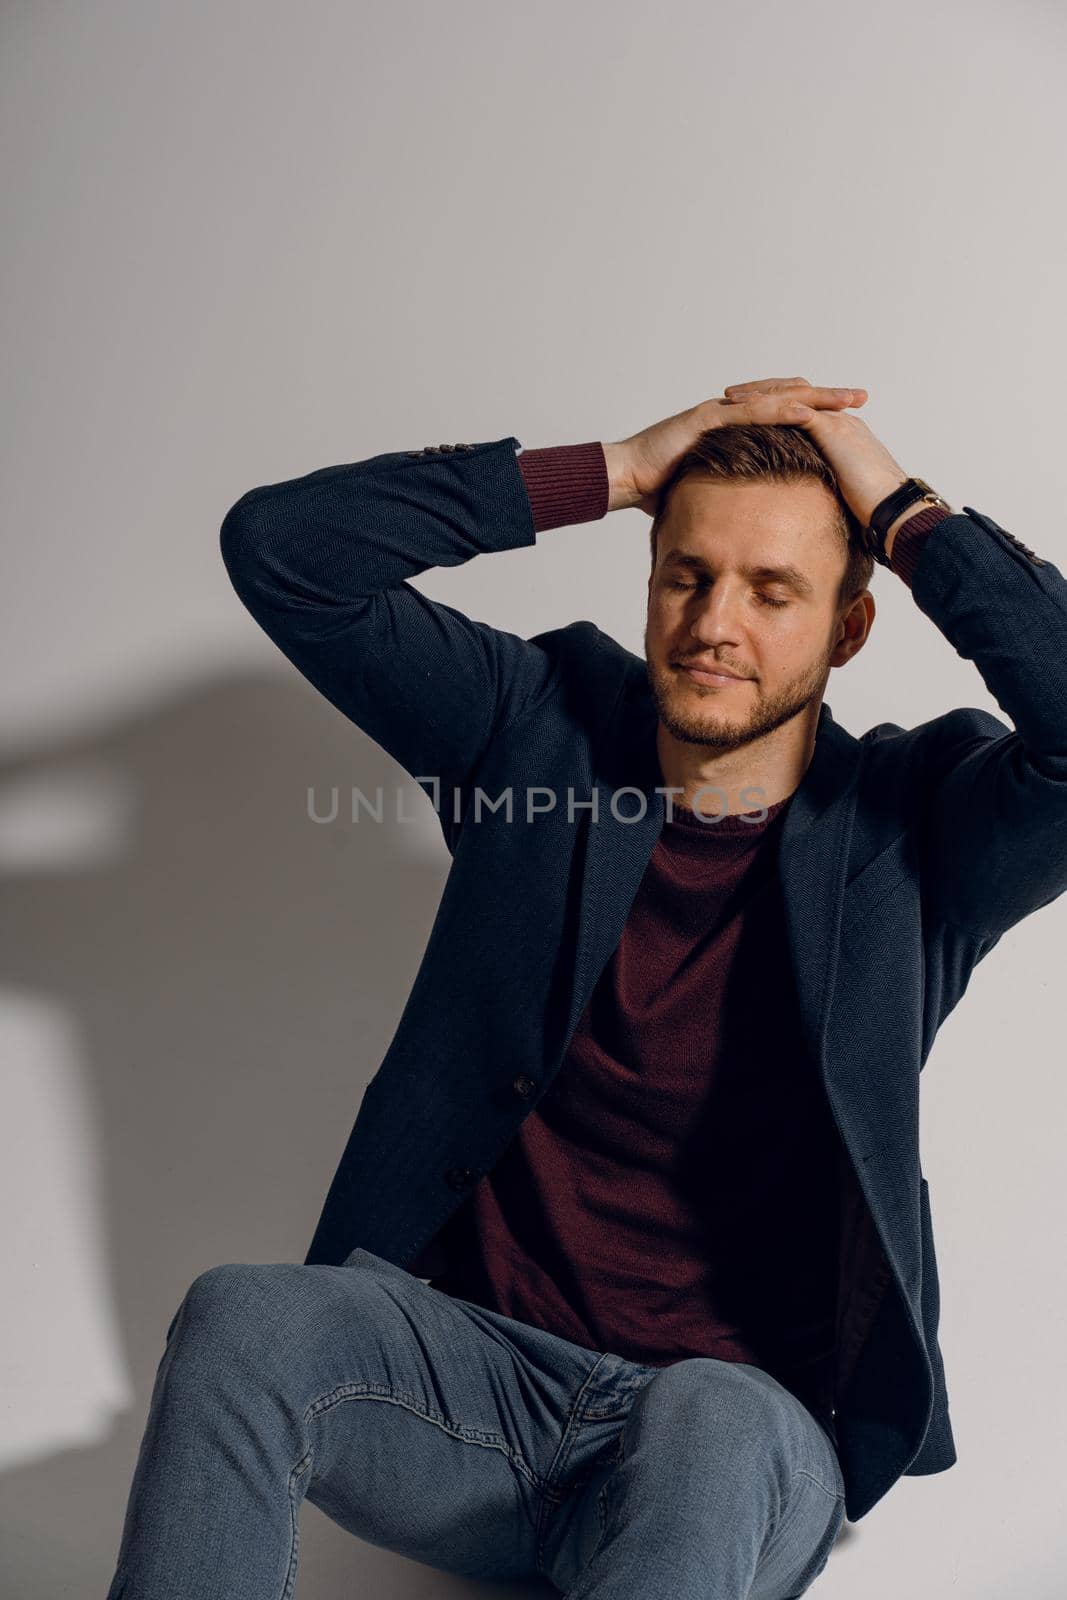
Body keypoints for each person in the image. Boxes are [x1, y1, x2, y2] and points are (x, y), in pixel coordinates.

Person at [105, 378, 1067, 1598]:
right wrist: (610, 467)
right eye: (686, 574)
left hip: (732, 1441)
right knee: (238, 1320)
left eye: (771, 590)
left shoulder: (916, 830)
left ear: (846, 628)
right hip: (474, 1400)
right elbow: (284, 551)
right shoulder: (535, 732)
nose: (713, 620)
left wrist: (903, 510)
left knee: (709, 1417)